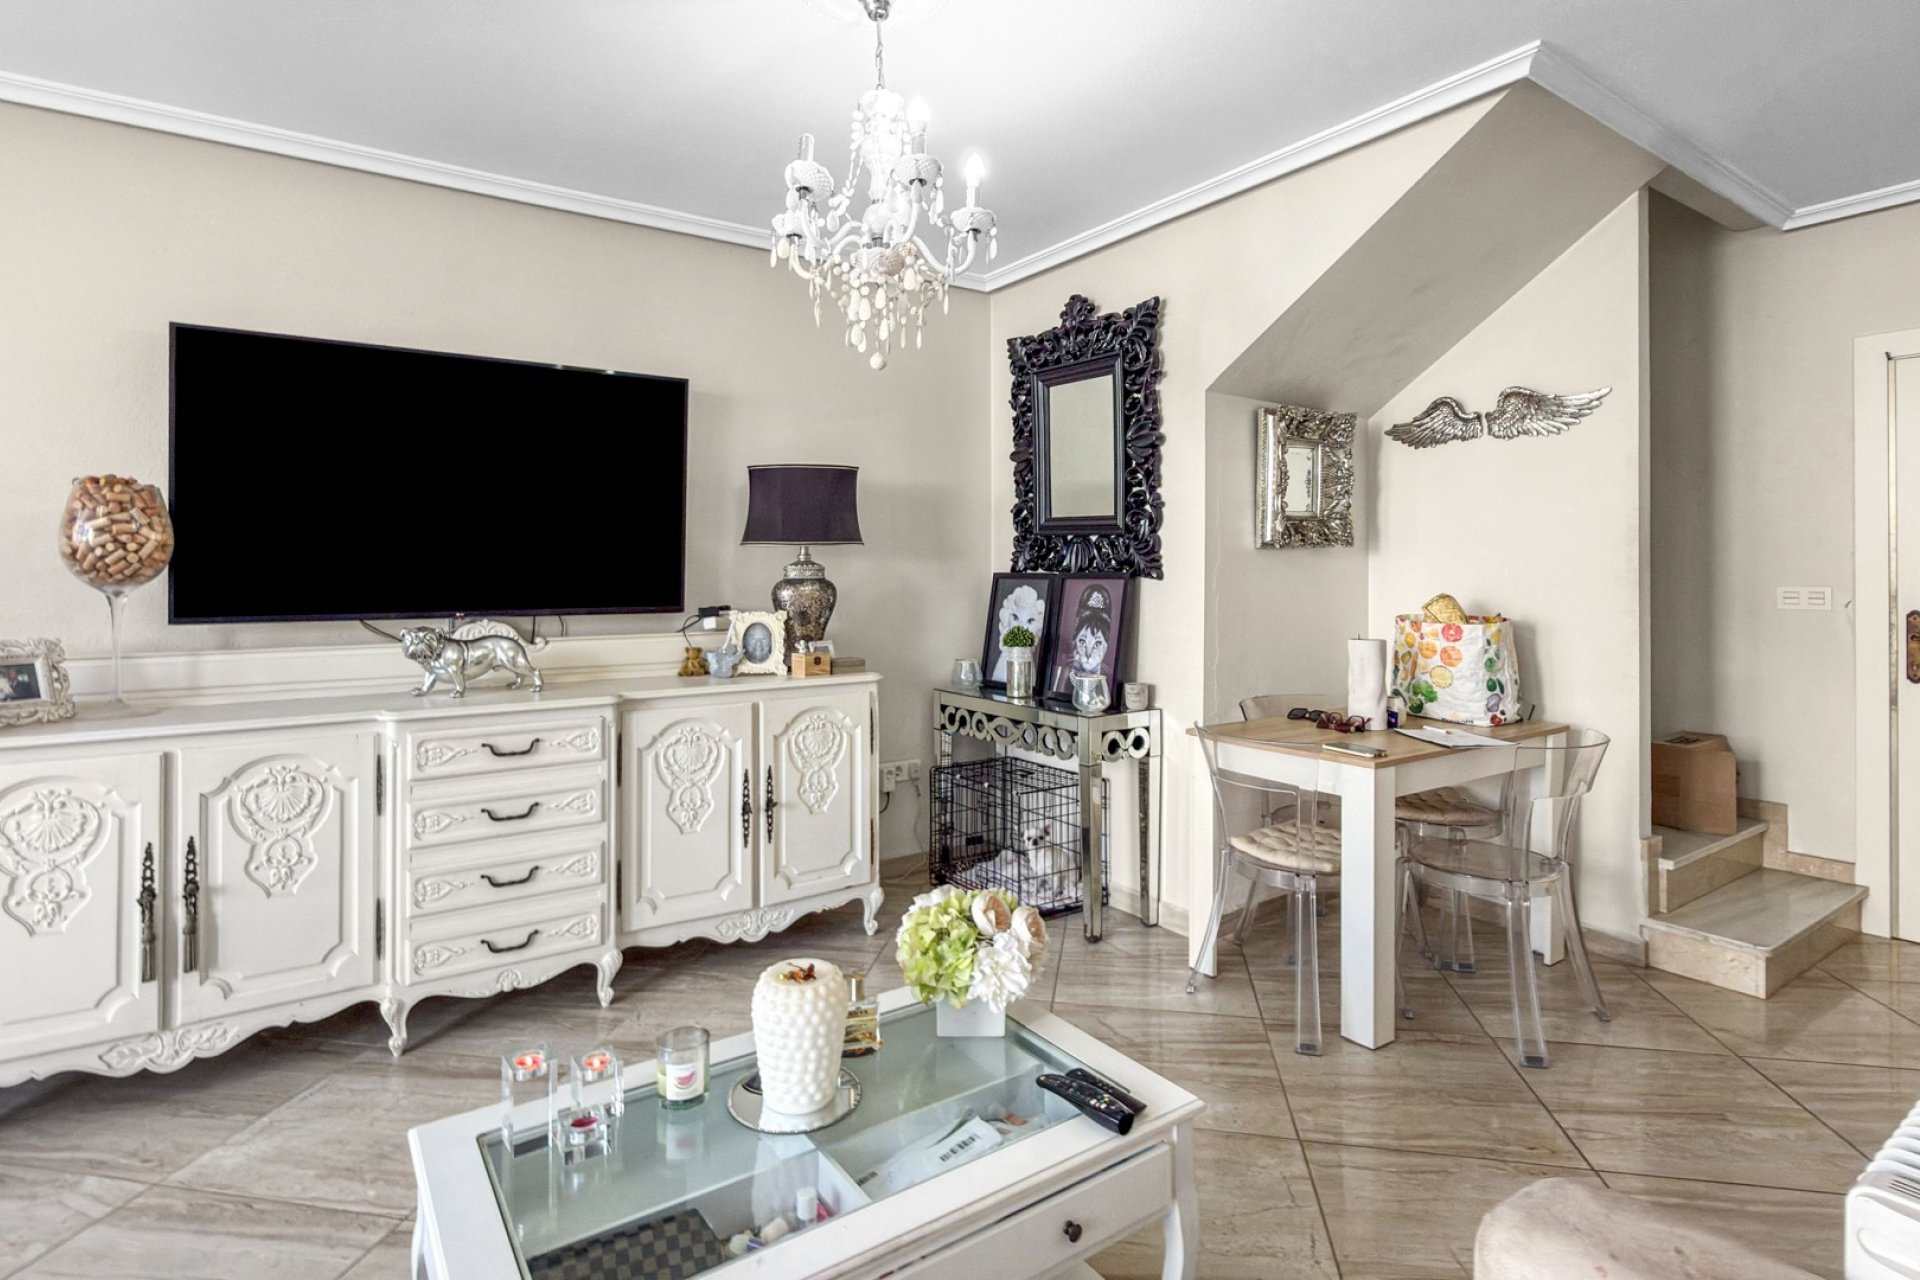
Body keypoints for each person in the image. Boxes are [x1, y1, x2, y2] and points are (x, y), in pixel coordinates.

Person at [1052, 583, 1113, 695]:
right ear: (1074, 640)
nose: (1088, 654)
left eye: (1097, 644)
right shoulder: (1063, 676)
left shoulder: (1108, 685)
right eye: (1082, 641)